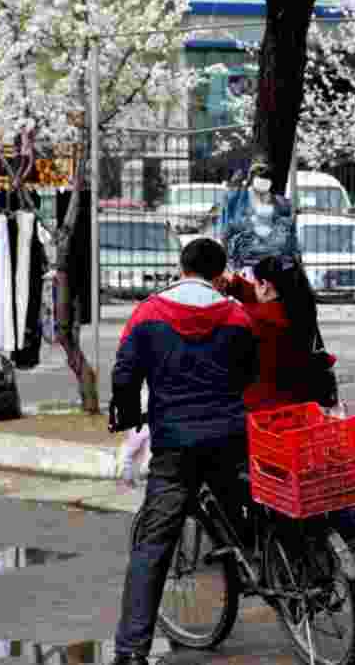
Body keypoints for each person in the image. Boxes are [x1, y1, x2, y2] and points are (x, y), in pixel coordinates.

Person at [109, 238, 256, 665]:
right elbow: (250, 370)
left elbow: (124, 372)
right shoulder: (236, 315)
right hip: (229, 440)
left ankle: (131, 650)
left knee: (153, 545)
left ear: (181, 266)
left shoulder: (150, 312)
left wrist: (129, 411)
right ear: (221, 272)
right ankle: (267, 570)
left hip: (174, 446)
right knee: (244, 513)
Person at [215, 254, 322, 412]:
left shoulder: (252, 319)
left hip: (259, 408)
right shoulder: (300, 308)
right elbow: (264, 296)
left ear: (265, 285)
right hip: (299, 402)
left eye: (255, 282)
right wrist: (233, 283)